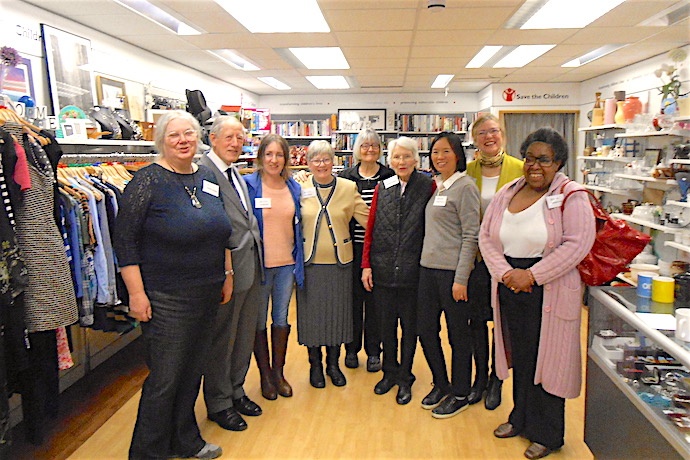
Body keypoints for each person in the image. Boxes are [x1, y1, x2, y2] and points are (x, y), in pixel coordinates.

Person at [114, 110, 232, 459]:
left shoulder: (206, 177)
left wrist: (227, 274)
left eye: (189, 134)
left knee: (192, 371)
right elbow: (125, 243)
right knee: (165, 378)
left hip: (207, 290)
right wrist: (136, 293)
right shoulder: (146, 181)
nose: (183, 141)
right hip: (166, 296)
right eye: (174, 135)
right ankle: (147, 453)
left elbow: (221, 231)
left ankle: (185, 440)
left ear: (199, 138)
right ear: (162, 140)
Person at [479, 127, 595, 459]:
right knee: (522, 357)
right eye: (529, 157)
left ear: (558, 162)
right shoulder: (508, 191)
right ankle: (520, 418)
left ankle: (548, 433)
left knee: (549, 362)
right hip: (509, 285)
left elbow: (577, 245)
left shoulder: (573, 196)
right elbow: (487, 236)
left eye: (543, 159)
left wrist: (532, 275)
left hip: (549, 289)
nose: (534, 166)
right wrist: (504, 272)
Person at [199, 116, 264, 432]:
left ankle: (237, 390)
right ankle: (219, 403)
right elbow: (211, 227)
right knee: (222, 340)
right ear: (212, 138)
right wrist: (225, 270)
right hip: (227, 270)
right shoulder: (204, 173)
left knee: (243, 336)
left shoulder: (235, 171)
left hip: (250, 265)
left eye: (240, 138)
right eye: (230, 137)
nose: (236, 143)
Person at [361, 137, 434, 405]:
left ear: (416, 159)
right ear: (389, 161)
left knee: (410, 328)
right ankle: (388, 372)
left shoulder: (428, 186)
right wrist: (366, 264)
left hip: (413, 272)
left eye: (406, 157)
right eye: (396, 157)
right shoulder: (383, 187)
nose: (401, 162)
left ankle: (405, 376)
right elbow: (370, 228)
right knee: (385, 326)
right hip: (382, 270)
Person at [417, 131, 480, 419]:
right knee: (426, 330)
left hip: (452, 275)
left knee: (458, 335)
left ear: (458, 155)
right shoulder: (438, 186)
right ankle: (441, 383)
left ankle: (460, 392)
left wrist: (461, 278)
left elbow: (471, 235)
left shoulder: (465, 187)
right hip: (427, 272)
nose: (439, 157)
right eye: (434, 152)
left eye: (445, 151)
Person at [296, 140, 369, 388]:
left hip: (340, 264)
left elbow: (369, 221)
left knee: (337, 316)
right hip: (309, 264)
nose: (321, 164)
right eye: (315, 159)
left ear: (334, 161)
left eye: (326, 159)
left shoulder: (348, 188)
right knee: (312, 317)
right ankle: (315, 365)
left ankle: (333, 365)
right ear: (308, 163)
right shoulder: (300, 186)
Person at [465, 114, 524, 410]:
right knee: (476, 321)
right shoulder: (468, 171)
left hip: (508, 259)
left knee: (502, 323)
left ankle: (496, 379)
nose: (489, 137)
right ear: (474, 139)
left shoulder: (520, 169)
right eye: (483, 133)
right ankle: (479, 377)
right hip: (476, 259)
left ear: (502, 135)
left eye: (494, 131)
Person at [244, 134, 304, 400]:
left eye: (279, 155)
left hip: (286, 266)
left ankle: (279, 374)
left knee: (280, 319)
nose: (274, 160)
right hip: (259, 266)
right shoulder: (248, 185)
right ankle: (265, 376)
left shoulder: (293, 187)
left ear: (286, 159)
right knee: (258, 321)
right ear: (260, 156)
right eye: (269, 154)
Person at [338, 128, 395, 372]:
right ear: (357, 150)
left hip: (379, 250)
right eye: (364, 146)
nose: (369, 149)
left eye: (374, 145)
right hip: (352, 248)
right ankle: (351, 349)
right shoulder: (346, 177)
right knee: (352, 302)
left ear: (380, 149)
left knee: (376, 304)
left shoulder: (390, 176)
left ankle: (374, 352)